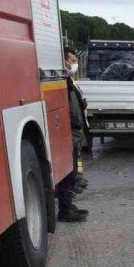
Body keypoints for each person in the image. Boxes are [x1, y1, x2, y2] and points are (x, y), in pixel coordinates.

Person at [57, 47, 89, 222]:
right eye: (71, 60)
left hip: (74, 134)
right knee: (68, 173)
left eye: (76, 60)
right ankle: (65, 209)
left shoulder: (69, 81)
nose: (74, 63)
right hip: (68, 134)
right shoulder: (61, 82)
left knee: (72, 172)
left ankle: (68, 205)